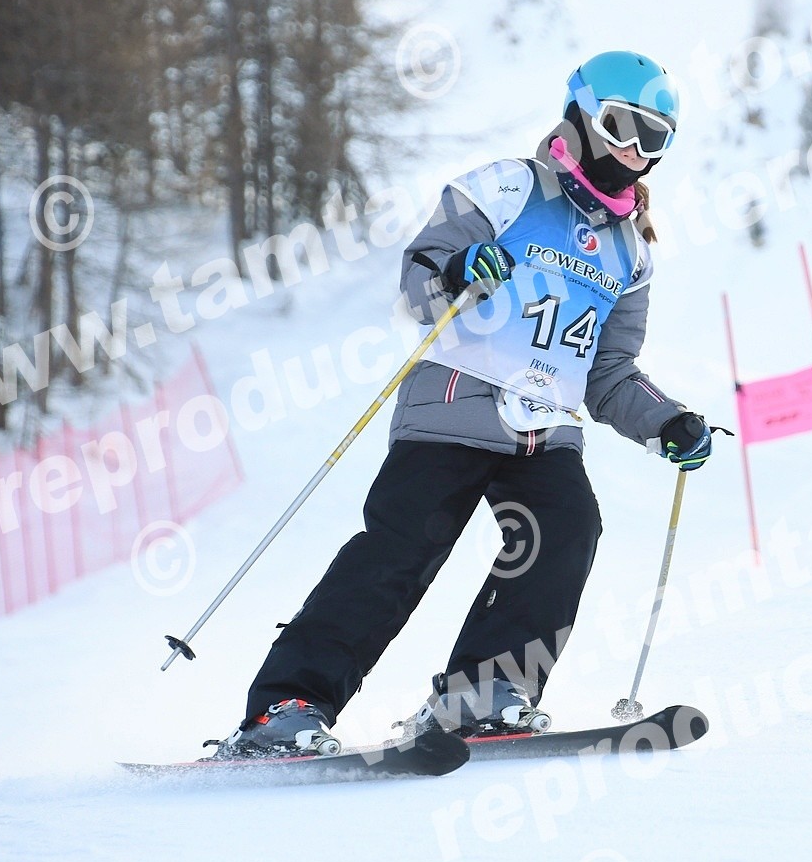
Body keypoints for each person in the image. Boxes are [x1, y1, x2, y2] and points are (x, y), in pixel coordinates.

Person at [210, 50, 713, 758]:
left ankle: (483, 691)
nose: (635, 149)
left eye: (654, 136)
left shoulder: (631, 254)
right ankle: (285, 706)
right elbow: (420, 275)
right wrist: (456, 269)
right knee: (401, 551)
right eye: (622, 124)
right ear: (581, 114)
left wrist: (667, 420)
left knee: (568, 529)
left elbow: (609, 372)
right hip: (453, 406)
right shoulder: (506, 188)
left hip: (544, 430)